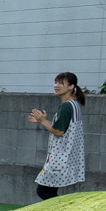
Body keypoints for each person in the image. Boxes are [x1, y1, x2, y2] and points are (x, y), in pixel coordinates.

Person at [29, 71, 87, 199]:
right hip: (69, 156)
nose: (56, 85)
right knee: (48, 190)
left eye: (61, 83)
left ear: (71, 86)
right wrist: (43, 121)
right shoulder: (74, 104)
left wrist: (43, 121)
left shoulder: (66, 106)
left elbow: (59, 131)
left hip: (60, 156)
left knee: (43, 191)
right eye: (56, 82)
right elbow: (62, 127)